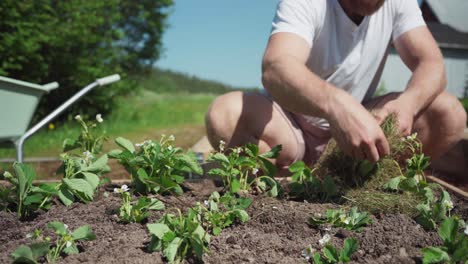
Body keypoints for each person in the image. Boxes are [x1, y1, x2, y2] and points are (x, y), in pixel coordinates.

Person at [205, 0, 467, 175]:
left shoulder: (399, 3)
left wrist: (407, 105)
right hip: (289, 128)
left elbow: (432, 64)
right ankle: (284, 182)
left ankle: (368, 178)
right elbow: (276, 66)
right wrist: (337, 106)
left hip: (361, 133)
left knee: (448, 114)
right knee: (226, 114)